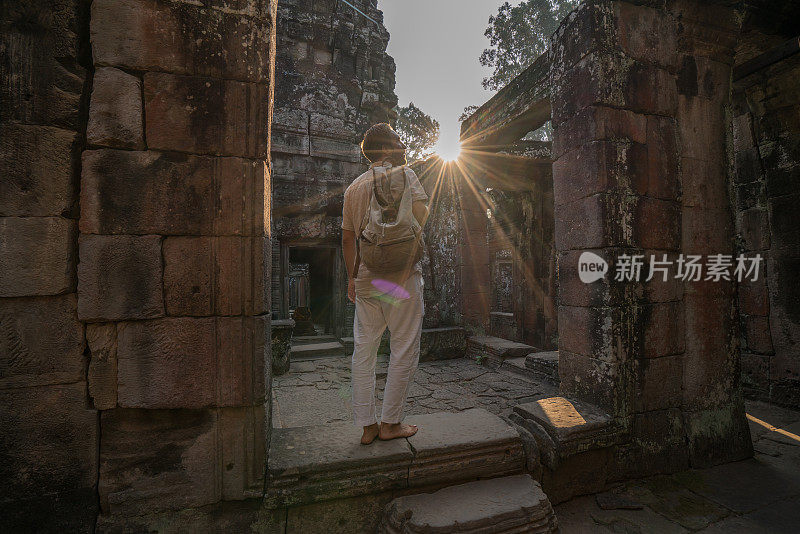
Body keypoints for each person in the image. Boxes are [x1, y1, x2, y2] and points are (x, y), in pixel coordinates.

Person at [341, 123, 429, 445]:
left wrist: (352, 278)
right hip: (402, 279)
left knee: (364, 351)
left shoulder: (354, 189)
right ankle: (391, 423)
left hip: (366, 278)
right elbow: (422, 216)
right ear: (390, 148)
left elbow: (348, 239)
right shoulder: (406, 176)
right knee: (403, 347)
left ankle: (367, 427)